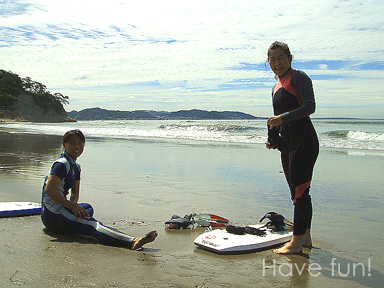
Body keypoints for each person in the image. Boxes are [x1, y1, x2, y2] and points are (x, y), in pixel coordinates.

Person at [41, 129, 157, 250]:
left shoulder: (76, 166)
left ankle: (74, 224)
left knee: (87, 208)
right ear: (64, 145)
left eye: (80, 143)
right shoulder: (61, 164)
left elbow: (75, 192)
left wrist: (74, 208)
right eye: (72, 143)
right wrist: (73, 208)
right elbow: (49, 190)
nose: (77, 146)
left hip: (61, 210)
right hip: (52, 215)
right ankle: (131, 241)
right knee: (92, 225)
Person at [265, 41, 319, 255]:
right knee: (296, 193)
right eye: (272, 59)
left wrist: (282, 119)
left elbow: (309, 106)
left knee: (300, 191)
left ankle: (296, 244)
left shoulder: (299, 77)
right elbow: (277, 120)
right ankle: (304, 237)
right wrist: (274, 140)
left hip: (304, 141)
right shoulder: (276, 86)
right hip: (287, 144)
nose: (276, 63)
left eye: (280, 58)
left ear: (289, 58)